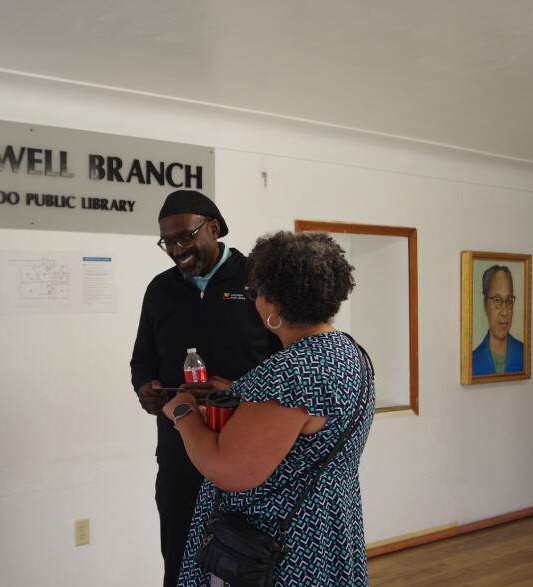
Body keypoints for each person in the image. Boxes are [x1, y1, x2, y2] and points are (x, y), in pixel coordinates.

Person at [163, 230, 375, 586]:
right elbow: (308, 425)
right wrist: (241, 394)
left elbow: (229, 470)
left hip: (275, 549)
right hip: (327, 528)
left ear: (273, 303)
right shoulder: (347, 352)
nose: (254, 300)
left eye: (255, 291)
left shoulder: (291, 372)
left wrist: (183, 413)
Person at [130, 190, 281, 587]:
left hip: (248, 451)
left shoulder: (258, 281)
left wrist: (237, 389)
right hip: (181, 453)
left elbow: (286, 365)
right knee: (180, 560)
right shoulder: (160, 290)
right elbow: (141, 359)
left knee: (249, 565)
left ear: (213, 228)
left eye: (185, 237)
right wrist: (145, 387)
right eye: (167, 241)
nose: (176, 250)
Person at [472, 265, 524, 375]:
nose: (505, 312)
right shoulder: (472, 361)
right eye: (497, 300)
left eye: (509, 301)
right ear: (485, 305)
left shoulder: (525, 354)